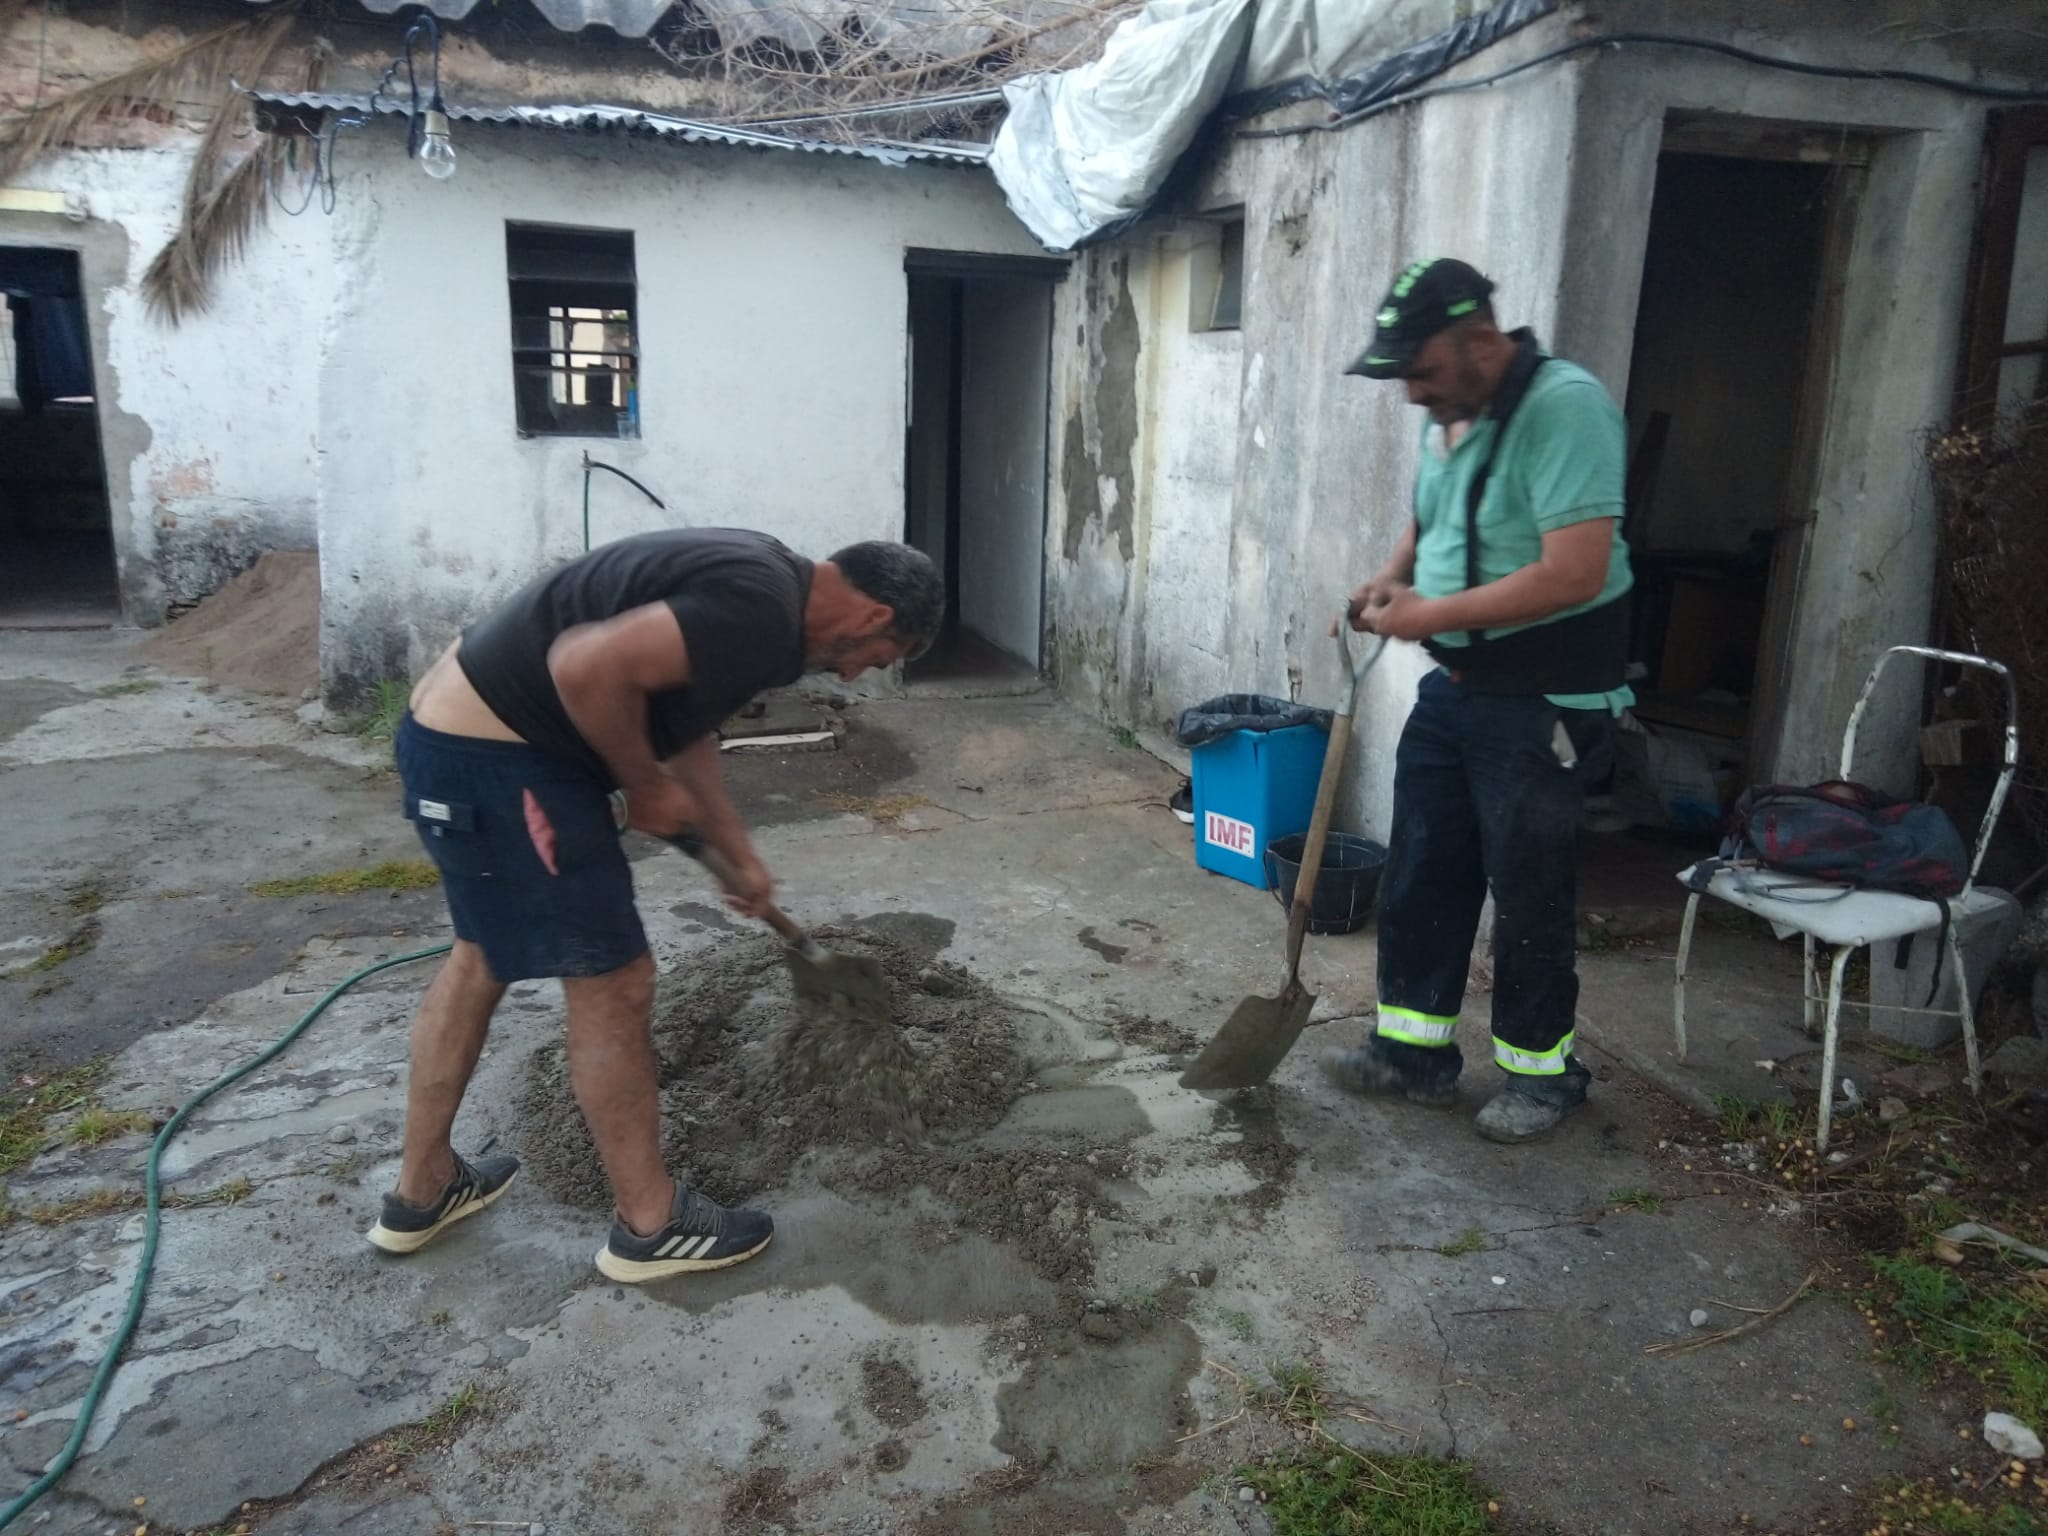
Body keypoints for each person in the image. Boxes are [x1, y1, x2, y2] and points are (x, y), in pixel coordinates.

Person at [364, 529, 943, 1279]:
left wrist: (732, 845)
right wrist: (640, 784)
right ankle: (652, 1223)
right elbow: (585, 665)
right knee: (615, 981)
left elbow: (683, 712)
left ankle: (424, 1188)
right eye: (879, 659)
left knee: (481, 959)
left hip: (465, 750)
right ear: (873, 616)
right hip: (509, 767)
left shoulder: (772, 587)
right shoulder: (760, 611)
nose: (860, 675)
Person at [1321, 258, 1633, 1144]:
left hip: (1544, 700)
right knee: (1422, 868)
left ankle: (1543, 1074)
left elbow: (1573, 571)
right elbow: (1434, 515)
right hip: (1457, 689)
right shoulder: (1455, 412)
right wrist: (1390, 578)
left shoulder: (1563, 409)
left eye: (1421, 371)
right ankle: (1412, 1054)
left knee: (1529, 889)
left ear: (1484, 343)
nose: (1412, 393)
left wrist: (1429, 613)